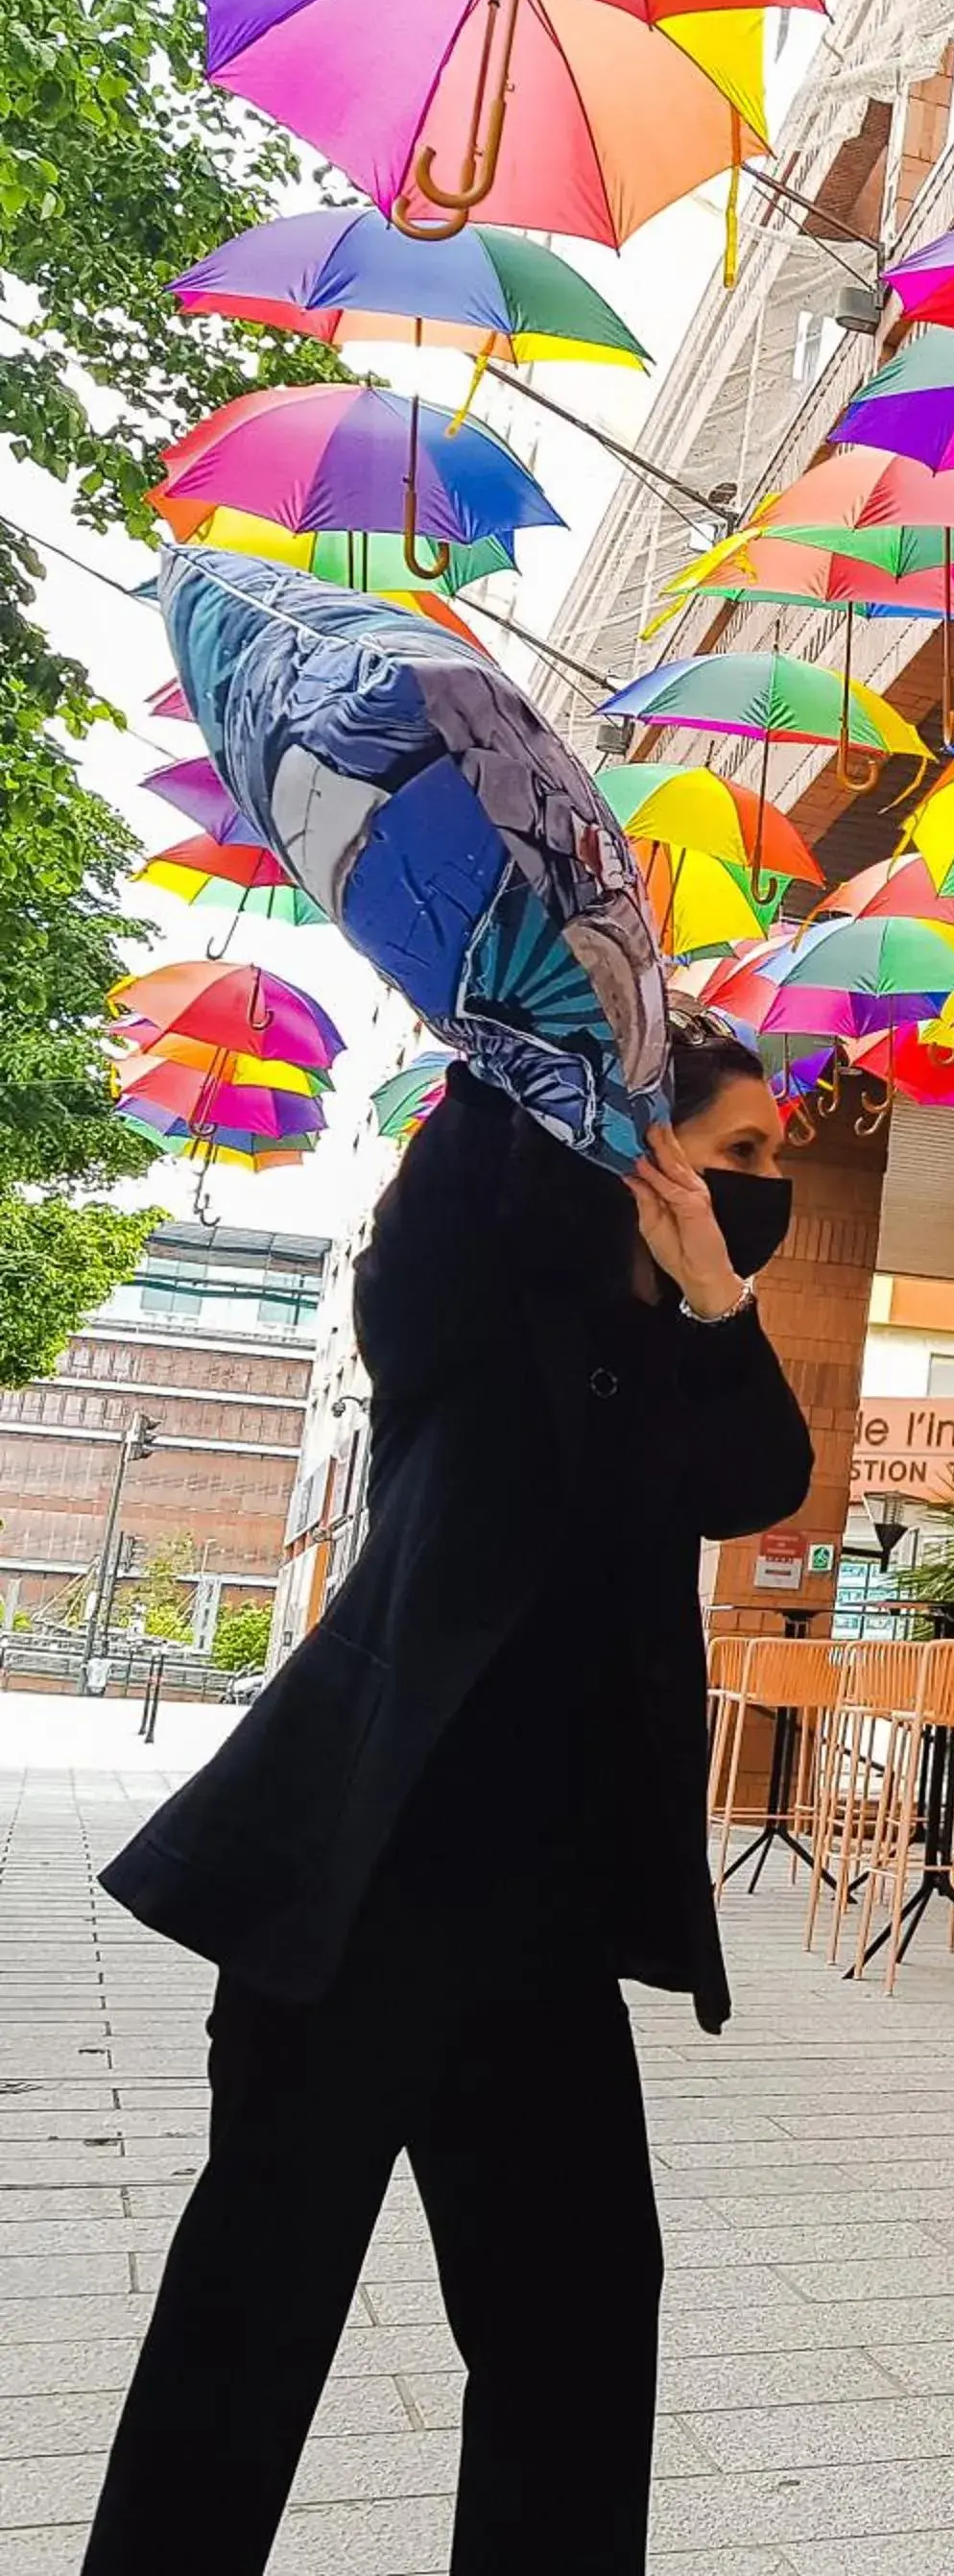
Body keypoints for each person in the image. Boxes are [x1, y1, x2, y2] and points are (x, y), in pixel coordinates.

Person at [84, 1012, 815, 2576]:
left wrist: (712, 1289)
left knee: (580, 2336)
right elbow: (431, 1238)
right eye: (743, 1148)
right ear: (642, 1141)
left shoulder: (676, 1360)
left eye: (773, 1158)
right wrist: (548, 1030)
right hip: (349, 1908)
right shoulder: (467, 1318)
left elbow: (763, 1480)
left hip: (537, 1945)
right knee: (249, 2334)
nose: (766, 1177)